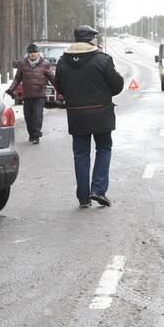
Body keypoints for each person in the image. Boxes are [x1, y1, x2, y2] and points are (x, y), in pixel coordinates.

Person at [55, 25, 124, 208]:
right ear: (91, 40)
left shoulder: (63, 61)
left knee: (81, 154)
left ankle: (83, 197)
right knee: (104, 148)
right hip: (101, 113)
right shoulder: (102, 60)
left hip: (76, 115)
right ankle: (98, 190)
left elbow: (59, 87)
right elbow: (117, 86)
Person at [6, 43, 55, 144]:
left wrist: (61, 88)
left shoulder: (44, 64)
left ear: (38, 53)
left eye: (35, 52)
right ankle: (31, 134)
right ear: (28, 54)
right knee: (28, 116)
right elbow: (17, 78)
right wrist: (11, 89)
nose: (33, 55)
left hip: (39, 94)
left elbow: (52, 78)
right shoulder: (22, 64)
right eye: (31, 53)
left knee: (37, 115)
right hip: (27, 95)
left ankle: (36, 135)